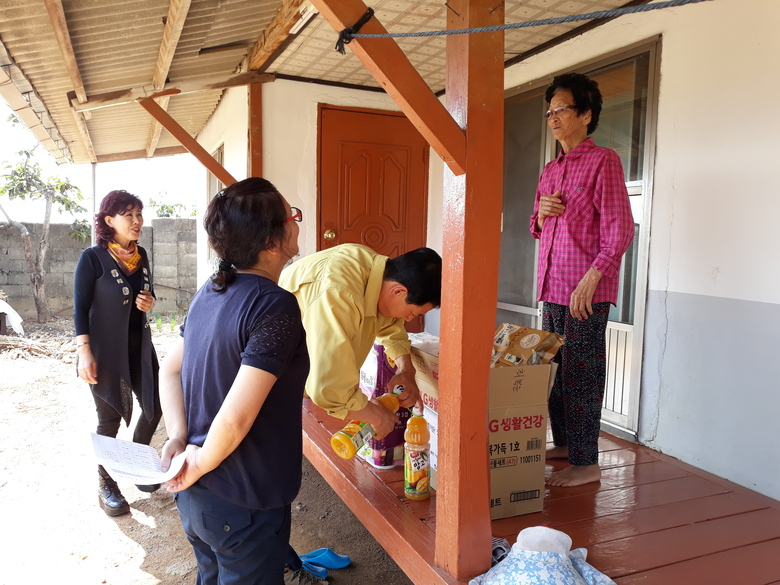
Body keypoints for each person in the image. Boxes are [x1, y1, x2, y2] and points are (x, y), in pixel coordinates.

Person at [158, 178, 323, 585]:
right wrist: (196, 463)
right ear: (272, 239)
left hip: (198, 500)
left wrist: (180, 438)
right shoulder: (274, 305)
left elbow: (169, 369)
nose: (297, 224)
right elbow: (235, 418)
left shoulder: (209, 293)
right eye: (293, 216)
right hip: (242, 500)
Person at [530, 73, 635, 487]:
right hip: (552, 288)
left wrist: (592, 280)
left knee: (582, 373)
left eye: (562, 109)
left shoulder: (603, 160)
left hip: (584, 290)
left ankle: (587, 463)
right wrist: (542, 214)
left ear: (586, 114)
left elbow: (620, 229)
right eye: (550, 110)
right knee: (553, 370)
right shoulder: (549, 169)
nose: (553, 117)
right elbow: (535, 228)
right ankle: (567, 443)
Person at [279, 243, 442, 439]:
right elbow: (327, 388)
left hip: (293, 376)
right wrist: (376, 415)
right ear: (398, 291)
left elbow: (391, 328)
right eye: (412, 313)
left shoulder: (377, 273)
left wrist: (406, 370)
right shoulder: (339, 292)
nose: (408, 319)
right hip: (268, 380)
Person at [74, 190, 159, 517]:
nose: (137, 221)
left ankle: (136, 465)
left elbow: (147, 295)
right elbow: (80, 309)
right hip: (105, 352)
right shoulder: (92, 258)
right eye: (129, 215)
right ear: (110, 220)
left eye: (139, 214)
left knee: (155, 406)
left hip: (139, 348)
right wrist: (85, 352)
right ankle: (106, 483)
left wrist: (149, 302)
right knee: (108, 418)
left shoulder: (143, 255)